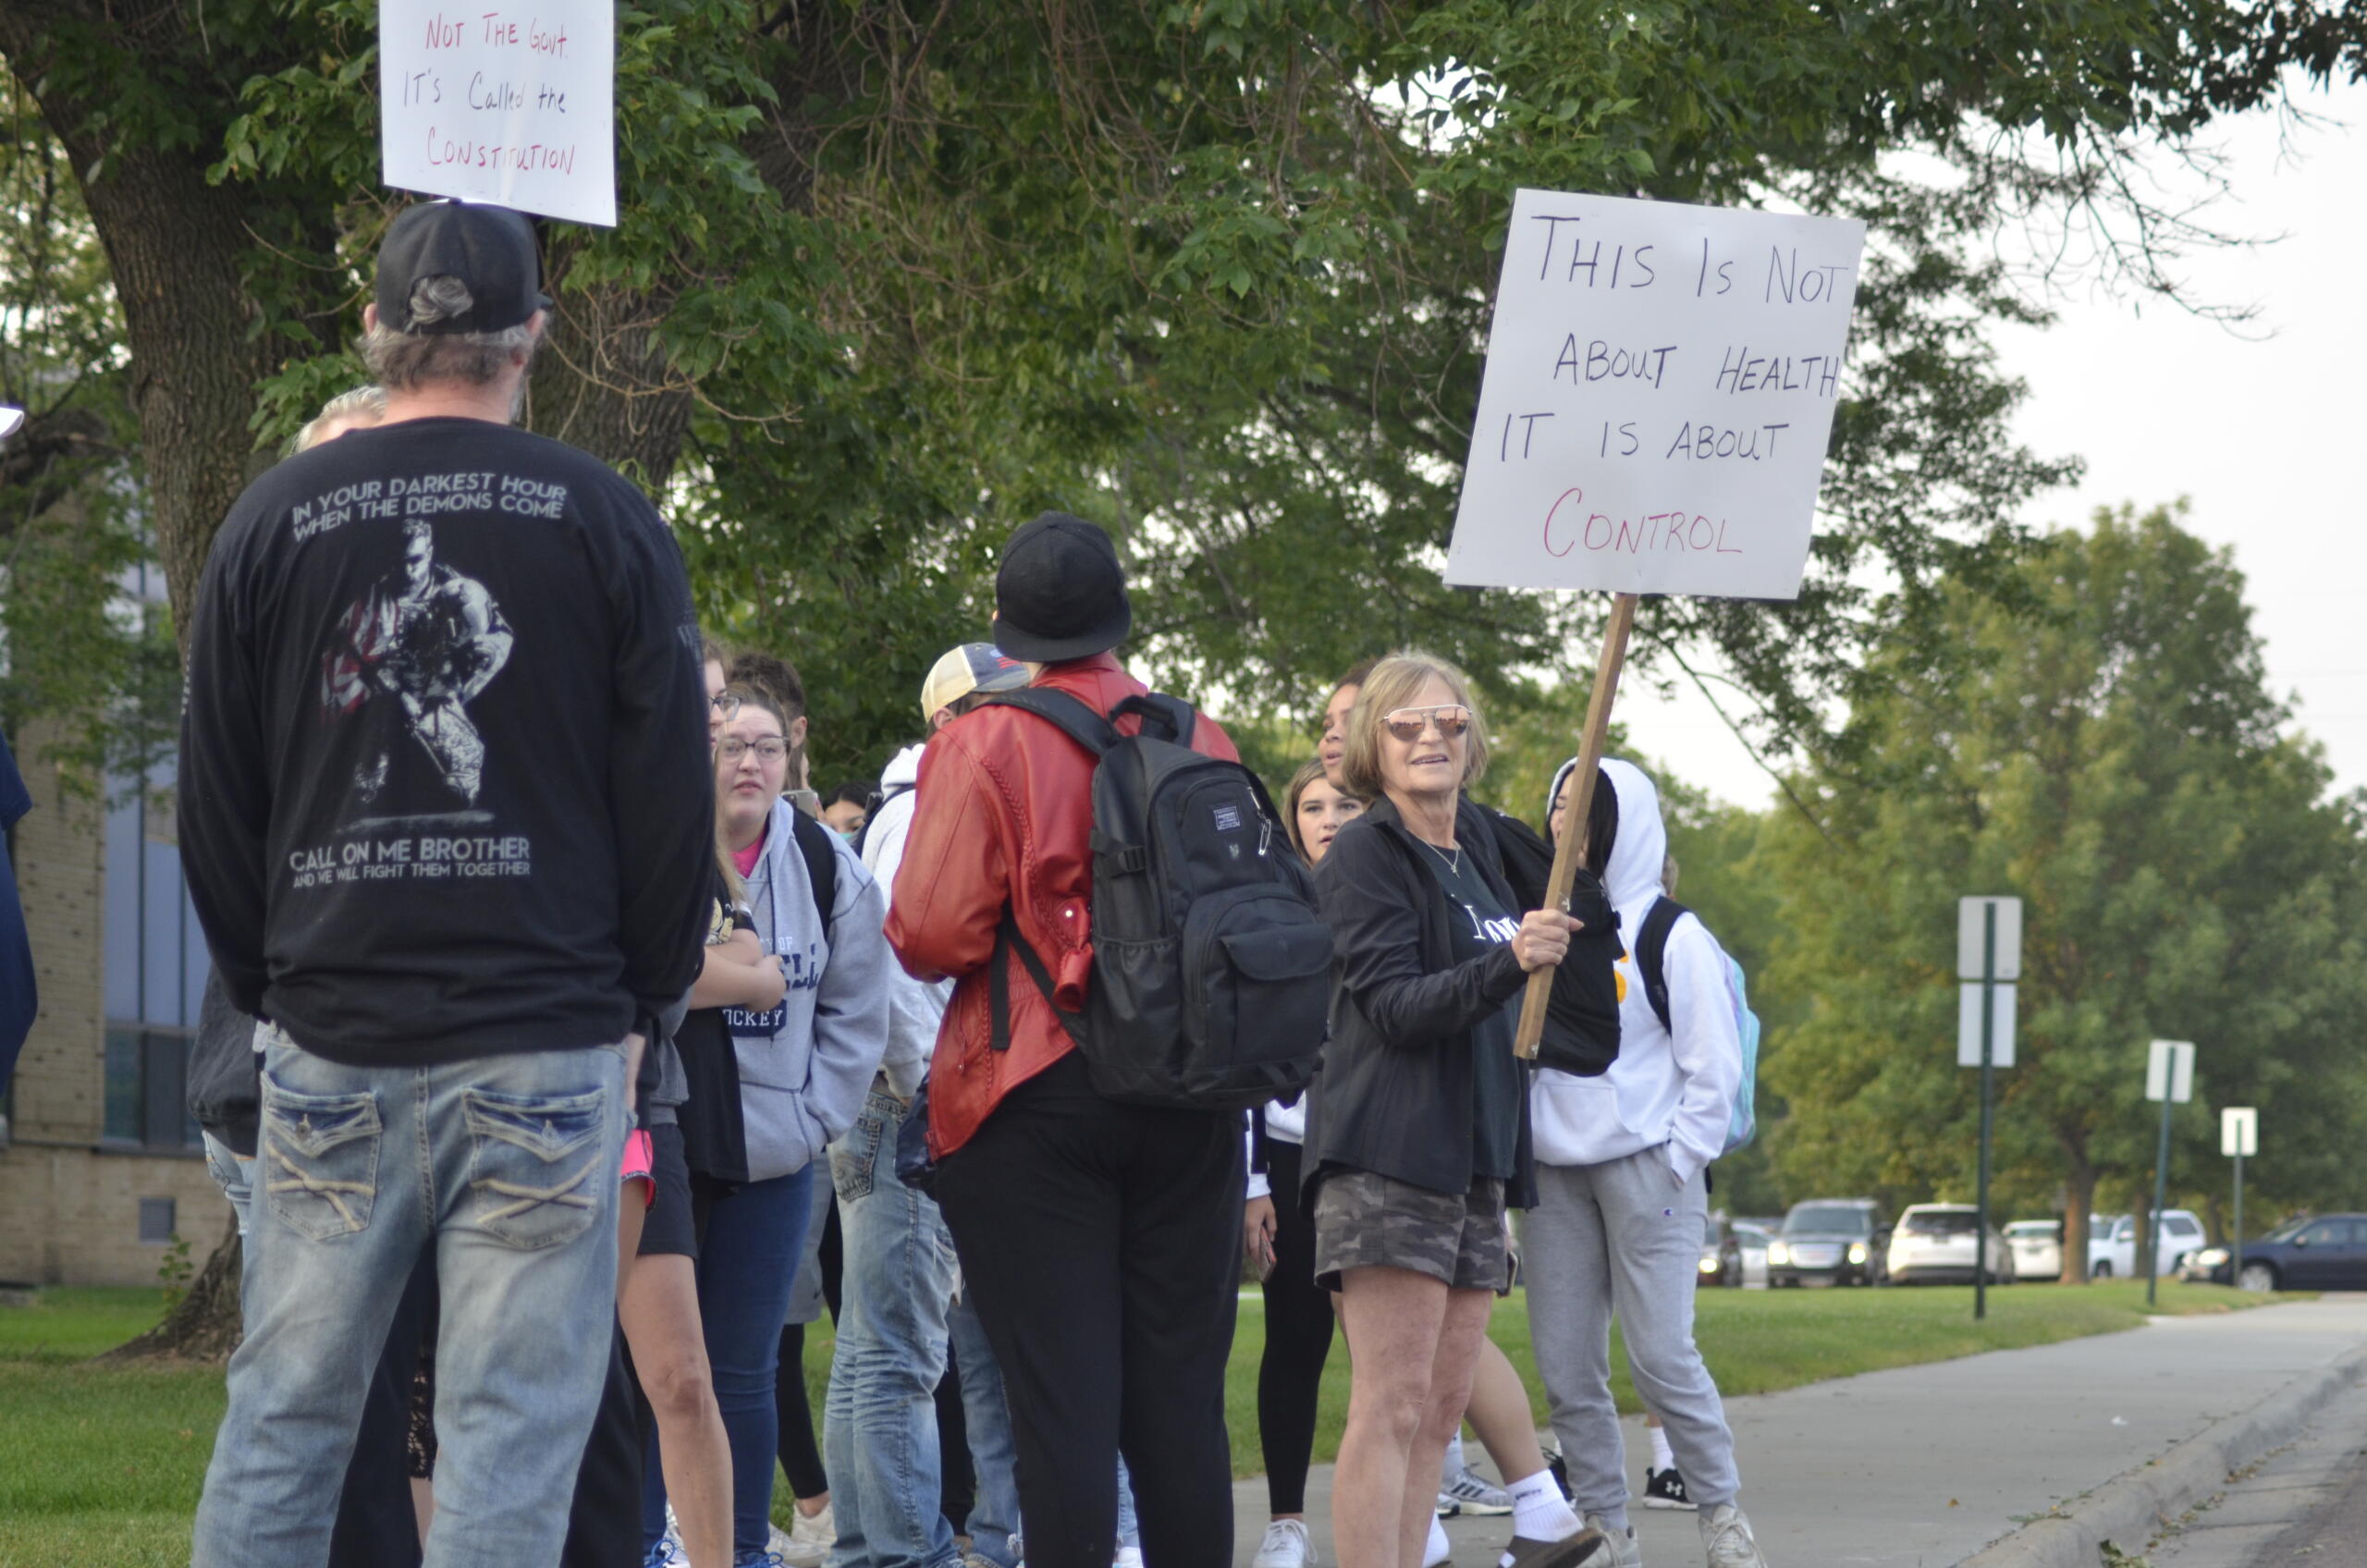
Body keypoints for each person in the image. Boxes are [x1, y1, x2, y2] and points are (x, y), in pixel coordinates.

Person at [180, 200, 713, 1568]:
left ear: (374, 331)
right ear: (532, 336)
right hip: (545, 1037)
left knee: (284, 1423)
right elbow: (668, 802)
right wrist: (643, 999)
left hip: (331, 1035)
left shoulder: (272, 519)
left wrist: (274, 985)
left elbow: (217, 800)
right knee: (510, 1435)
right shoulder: (606, 520)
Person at [886, 513, 1247, 1568]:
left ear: (1006, 630)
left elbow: (927, 931)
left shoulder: (983, 739)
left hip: (1033, 1086)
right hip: (1189, 1086)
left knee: (1061, 1413)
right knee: (1182, 1405)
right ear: (1118, 619)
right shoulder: (1199, 732)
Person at [1300, 653, 1600, 1568]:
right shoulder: (1365, 854)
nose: (1430, 735)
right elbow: (1394, 1005)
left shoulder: (1474, 853)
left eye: (1450, 721)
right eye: (1405, 723)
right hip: (1386, 1156)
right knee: (1389, 1405)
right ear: (1369, 743)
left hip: (1472, 1159)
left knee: (1437, 1406)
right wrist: (1511, 958)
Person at [645, 679, 892, 1568]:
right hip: (665, 1139)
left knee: (744, 1370)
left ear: (790, 758)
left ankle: (741, 1548)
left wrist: (814, 1113)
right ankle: (649, 1545)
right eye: (731, 745)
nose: (749, 762)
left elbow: (862, 1010)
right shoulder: (655, 851)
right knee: (660, 1373)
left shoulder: (829, 867)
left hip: (778, 1159)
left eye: (767, 748)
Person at [1525, 758, 1766, 1568]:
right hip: (1554, 1174)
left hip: (1650, 1171)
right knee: (1567, 1369)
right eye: (1557, 805)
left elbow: (1714, 1066)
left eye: (1583, 807)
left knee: (1662, 1357)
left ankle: (1722, 1515)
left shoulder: (1670, 932)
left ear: (1624, 819)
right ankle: (1607, 1531)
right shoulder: (1540, 925)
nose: (1564, 820)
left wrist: (1678, 1160)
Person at [823, 642, 1032, 1568]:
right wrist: (935, 1099)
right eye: (1000, 707)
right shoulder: (924, 810)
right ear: (950, 719)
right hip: (920, 1104)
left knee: (881, 1349)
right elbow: (902, 978)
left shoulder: (932, 798)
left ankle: (890, 1544)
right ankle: (910, 1554)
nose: (1020, 723)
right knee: (900, 1354)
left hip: (913, 1100)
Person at [1245, 761, 1362, 1568]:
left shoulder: (1394, 896)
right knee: (1294, 1337)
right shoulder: (1270, 912)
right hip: (1287, 1158)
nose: (1326, 817)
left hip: (1372, 1152)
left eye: (1344, 803)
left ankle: (1407, 1513)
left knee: (1388, 1347)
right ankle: (1287, 1521)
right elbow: (1244, 1054)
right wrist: (1252, 1181)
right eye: (1311, 807)